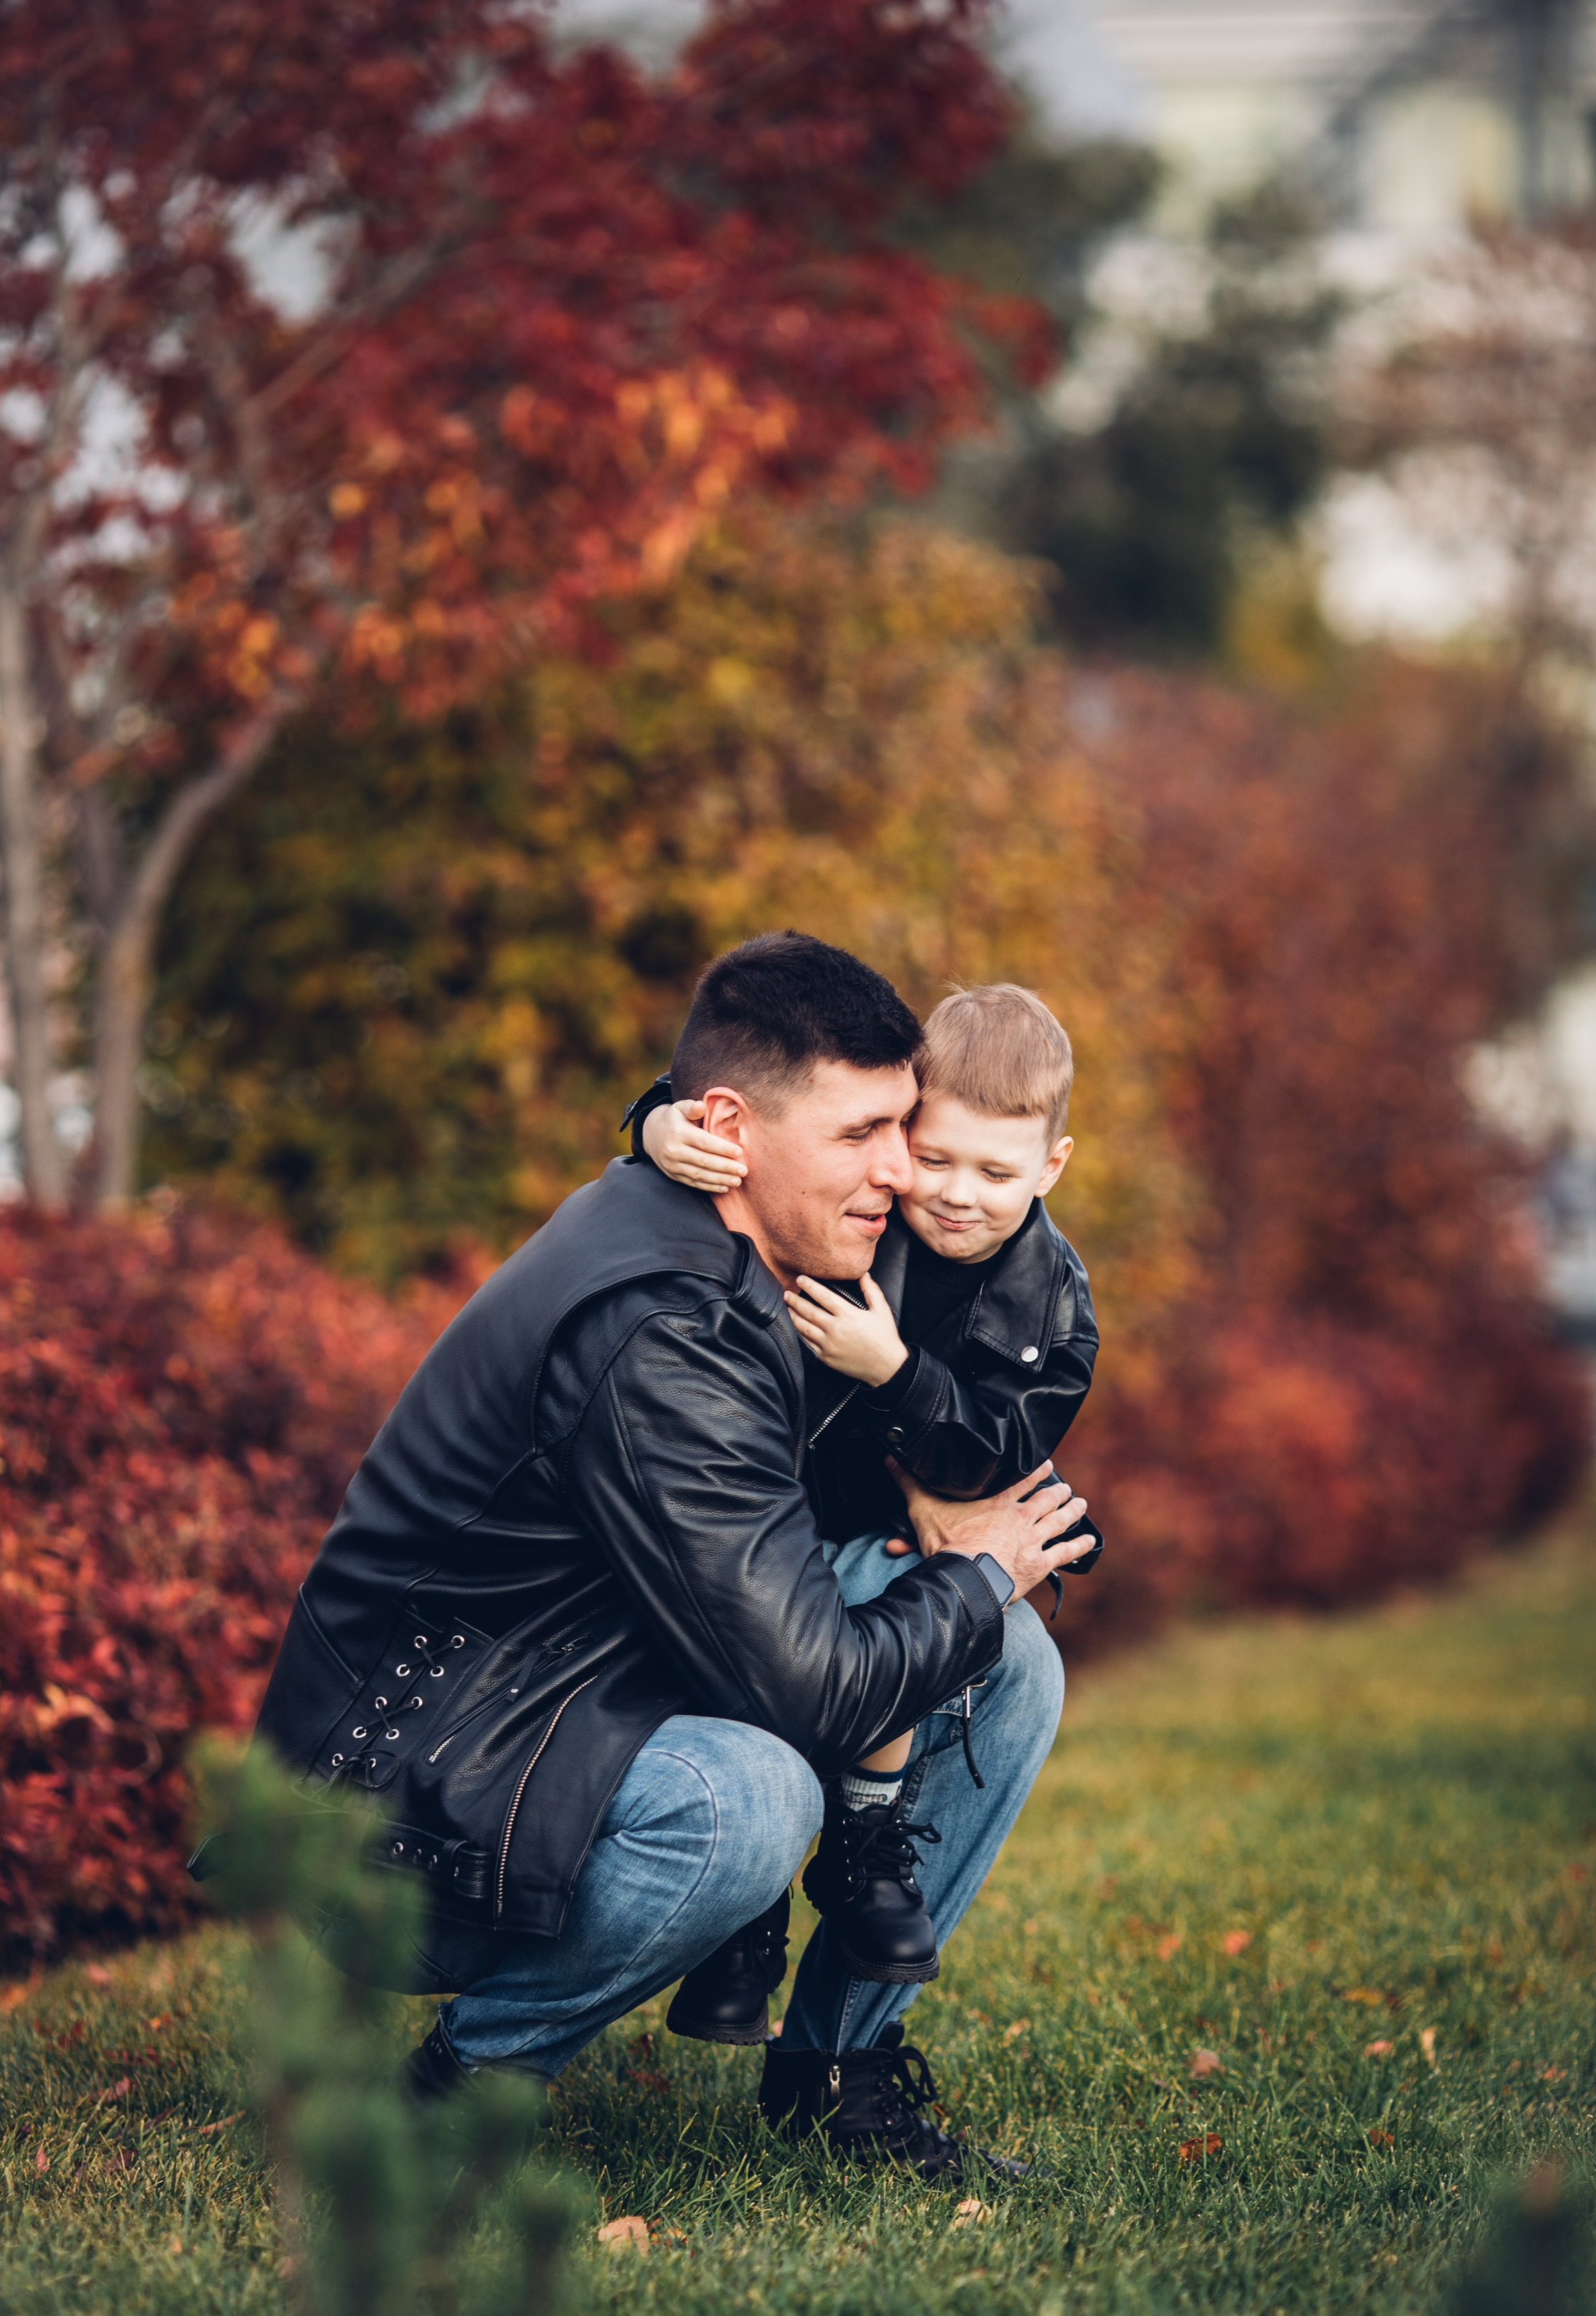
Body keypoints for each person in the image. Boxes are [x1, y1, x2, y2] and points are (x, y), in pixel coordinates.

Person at [249, 933, 1094, 2179]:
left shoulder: (760, 1236)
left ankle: (836, 2078)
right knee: (748, 1798)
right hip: (402, 1804)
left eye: (902, 1127)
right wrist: (984, 1563)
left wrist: (948, 1520)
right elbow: (811, 1687)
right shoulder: (662, 1327)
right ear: (731, 1131)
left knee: (1006, 1661)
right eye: (862, 1135)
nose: (903, 1171)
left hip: (572, 1704)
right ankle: (463, 2086)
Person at [637, 983, 1101, 2029]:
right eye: (933, 1156)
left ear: (1051, 1167)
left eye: (997, 1171)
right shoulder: (865, 1198)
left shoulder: (1054, 1307)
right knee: (765, 1629)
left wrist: (896, 1372)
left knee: (923, 1604)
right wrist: (659, 1122)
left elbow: (996, 1456)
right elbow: (754, 1116)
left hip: (884, 1539)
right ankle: (745, 1917)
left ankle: (860, 1842)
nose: (957, 1193)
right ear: (900, 1136)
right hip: (767, 1510)